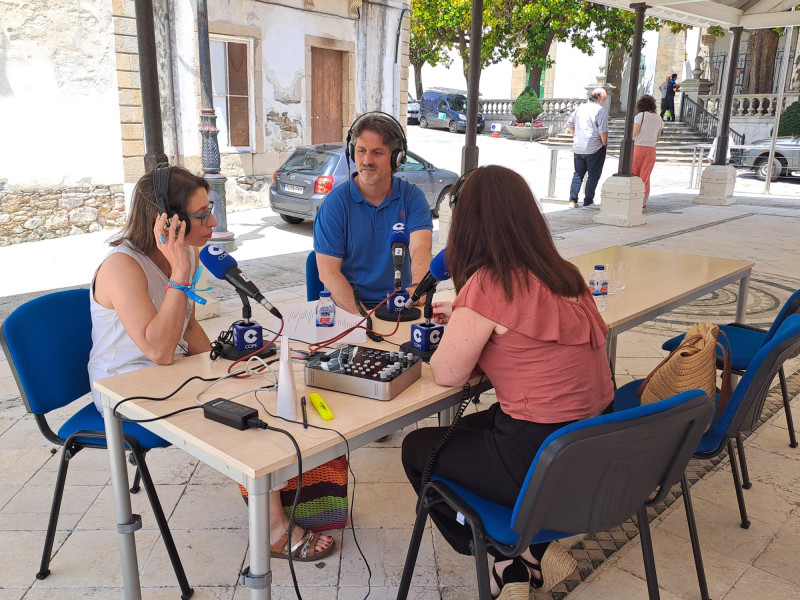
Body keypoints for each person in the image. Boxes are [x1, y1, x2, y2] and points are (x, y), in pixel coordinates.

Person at [88, 165, 335, 562]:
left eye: (211, 208)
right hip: (127, 391)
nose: (213, 221)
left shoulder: (180, 256)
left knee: (262, 394)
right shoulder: (123, 266)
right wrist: (181, 274)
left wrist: (230, 369)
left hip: (173, 377)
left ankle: (286, 496)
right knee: (247, 420)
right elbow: (159, 350)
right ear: (166, 221)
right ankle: (272, 529)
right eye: (202, 214)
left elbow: (189, 332)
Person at [401, 165, 614, 599]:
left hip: (537, 456)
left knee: (418, 448)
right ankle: (535, 553)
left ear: (467, 223)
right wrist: (464, 314)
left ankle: (502, 554)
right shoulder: (565, 273)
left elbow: (447, 374)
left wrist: (465, 317)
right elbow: (523, 337)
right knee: (477, 426)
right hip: (593, 444)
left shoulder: (488, 282)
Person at [313, 112, 433, 314]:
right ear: (352, 152)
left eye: (377, 152)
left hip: (401, 306)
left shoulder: (412, 197)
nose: (366, 160)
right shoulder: (335, 204)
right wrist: (364, 318)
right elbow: (328, 273)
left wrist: (417, 288)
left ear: (397, 158)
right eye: (361, 151)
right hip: (351, 308)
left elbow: (421, 249)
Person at [566, 88, 608, 208]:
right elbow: (603, 131)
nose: (604, 102)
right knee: (593, 175)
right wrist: (604, 144)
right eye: (604, 99)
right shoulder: (600, 110)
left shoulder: (580, 107)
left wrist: (576, 135)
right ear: (599, 98)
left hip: (578, 146)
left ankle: (572, 200)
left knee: (578, 174)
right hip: (594, 147)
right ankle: (588, 200)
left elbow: (569, 123)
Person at [631, 95, 663, 213]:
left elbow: (634, 133)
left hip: (638, 147)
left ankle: (633, 200)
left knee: (634, 174)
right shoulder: (659, 118)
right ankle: (643, 205)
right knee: (645, 176)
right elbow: (658, 137)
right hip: (651, 149)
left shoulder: (641, 116)